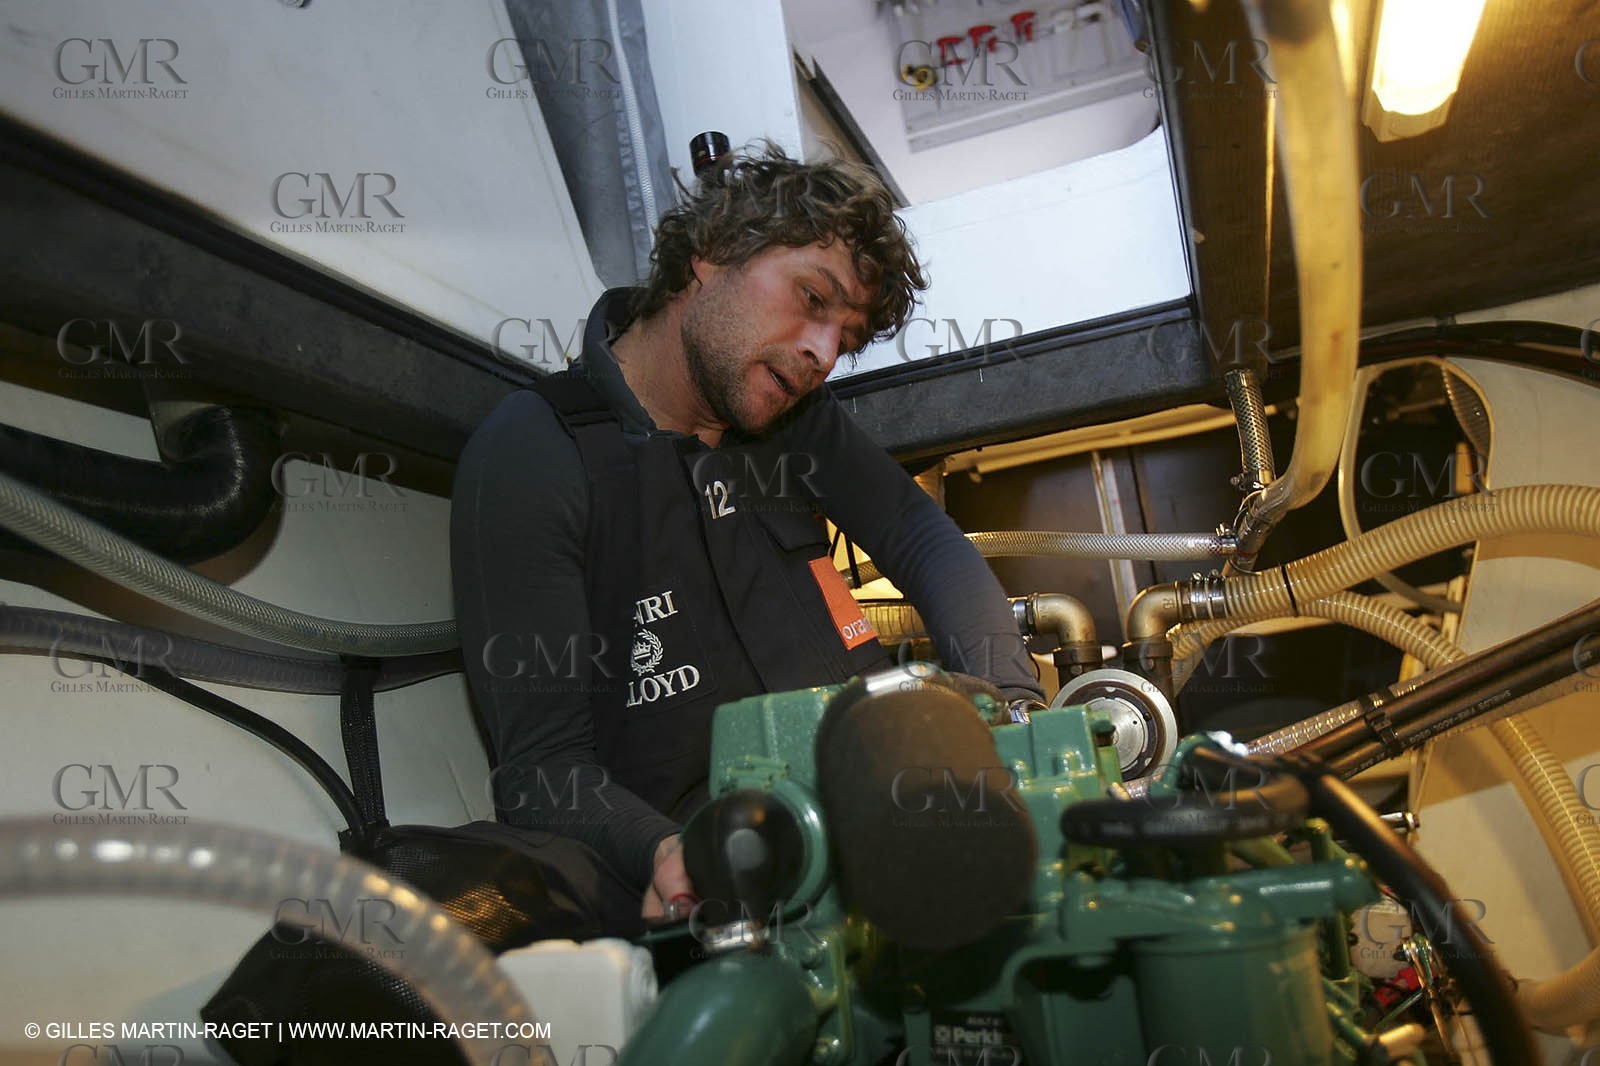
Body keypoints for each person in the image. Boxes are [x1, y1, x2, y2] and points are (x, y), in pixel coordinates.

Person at [450, 143, 1043, 925]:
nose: (823, 353)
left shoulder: (793, 420)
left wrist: (1016, 710)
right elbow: (540, 772)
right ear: (710, 254)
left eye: (847, 337)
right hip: (745, 891)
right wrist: (666, 852)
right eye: (811, 298)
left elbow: (918, 536)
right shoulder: (538, 452)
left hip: (895, 810)